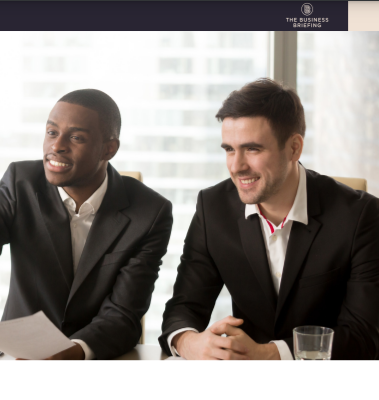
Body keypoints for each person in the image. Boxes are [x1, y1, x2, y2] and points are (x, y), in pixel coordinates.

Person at [0, 89, 173, 360]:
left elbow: (123, 314)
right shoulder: (20, 182)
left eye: (76, 137)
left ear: (109, 148)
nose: (57, 146)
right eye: (51, 132)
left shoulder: (150, 212)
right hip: (16, 357)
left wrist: (70, 352)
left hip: (97, 359)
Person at [161, 78, 379, 360]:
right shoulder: (212, 207)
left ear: (294, 148)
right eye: (229, 149)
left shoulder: (362, 216)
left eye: (252, 149)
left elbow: (364, 336)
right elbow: (183, 308)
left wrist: (270, 354)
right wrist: (190, 342)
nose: (237, 166)